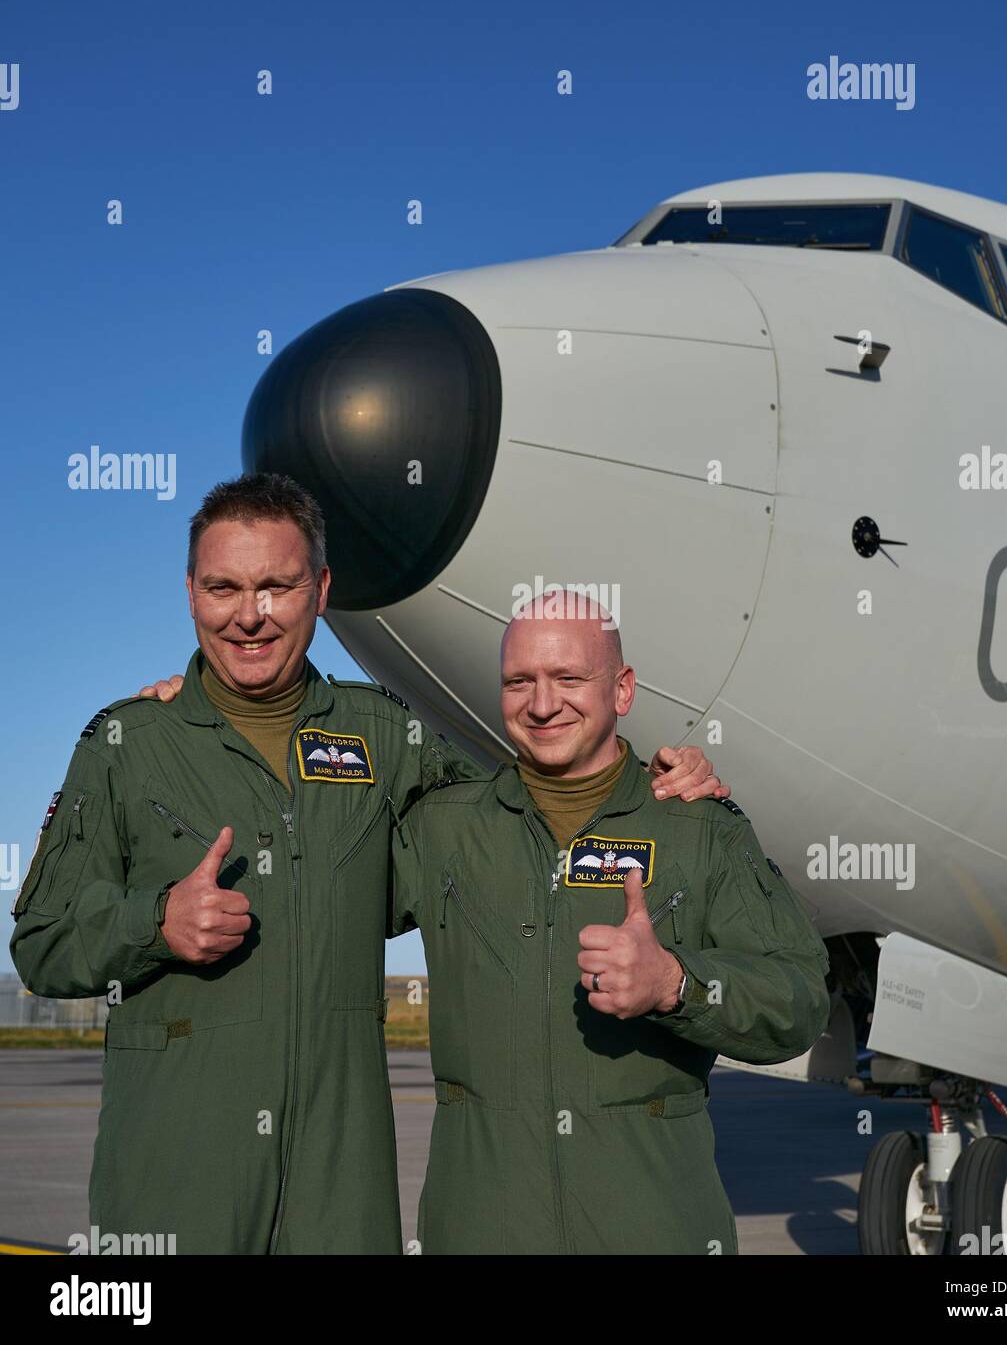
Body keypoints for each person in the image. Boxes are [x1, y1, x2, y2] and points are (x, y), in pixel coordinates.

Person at [9, 473, 725, 1255]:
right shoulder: (127, 745)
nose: (249, 615)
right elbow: (41, 944)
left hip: (338, 1185)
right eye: (224, 588)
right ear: (190, 593)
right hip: (175, 1174)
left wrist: (656, 777)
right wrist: (155, 923)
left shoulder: (386, 737)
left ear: (320, 589)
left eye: (278, 586)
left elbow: (522, 809)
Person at [391, 595, 831, 1254]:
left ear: (622, 690)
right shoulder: (443, 829)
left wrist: (678, 984)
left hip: (653, 1229)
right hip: (480, 1229)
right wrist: (188, 717)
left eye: (569, 679)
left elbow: (798, 1000)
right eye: (520, 681)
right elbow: (310, 895)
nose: (543, 705)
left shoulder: (697, 828)